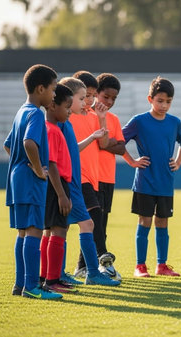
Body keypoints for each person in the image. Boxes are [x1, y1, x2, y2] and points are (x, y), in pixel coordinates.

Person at [4, 64, 62, 299]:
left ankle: (20, 285)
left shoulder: (22, 110)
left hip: (17, 178)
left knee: (23, 233)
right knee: (35, 231)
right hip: (30, 179)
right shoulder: (37, 113)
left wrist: (21, 165)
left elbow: (9, 144)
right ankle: (32, 287)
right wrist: (38, 170)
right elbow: (29, 143)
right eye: (53, 89)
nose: (55, 94)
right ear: (40, 89)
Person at [122, 76, 181, 277]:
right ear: (150, 99)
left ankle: (162, 266)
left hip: (165, 183)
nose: (164, 105)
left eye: (168, 101)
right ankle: (140, 266)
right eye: (160, 101)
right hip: (145, 182)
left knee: (163, 222)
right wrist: (132, 161)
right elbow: (118, 142)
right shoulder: (139, 121)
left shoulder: (174, 122)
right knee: (144, 221)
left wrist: (177, 162)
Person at [58, 78, 120, 287]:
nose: (89, 100)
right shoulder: (66, 118)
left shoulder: (92, 116)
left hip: (92, 179)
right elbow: (68, 150)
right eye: (86, 96)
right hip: (77, 178)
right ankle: (100, 262)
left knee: (67, 225)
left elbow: (103, 143)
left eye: (91, 96)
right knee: (91, 219)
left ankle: (74, 269)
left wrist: (101, 119)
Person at [40, 83, 77, 295]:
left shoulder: (49, 129)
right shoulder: (52, 130)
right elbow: (52, 164)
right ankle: (52, 280)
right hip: (57, 186)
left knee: (49, 230)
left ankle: (45, 276)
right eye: (67, 106)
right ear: (53, 105)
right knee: (59, 230)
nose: (70, 111)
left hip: (54, 186)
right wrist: (62, 195)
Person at [95, 73, 126, 279]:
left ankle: (86, 265)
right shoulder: (86, 115)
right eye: (106, 96)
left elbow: (122, 148)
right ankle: (97, 262)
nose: (110, 102)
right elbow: (101, 143)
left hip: (108, 177)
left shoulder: (113, 119)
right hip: (90, 176)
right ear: (96, 93)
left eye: (114, 98)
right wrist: (109, 143)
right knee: (92, 225)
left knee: (102, 224)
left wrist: (110, 143)